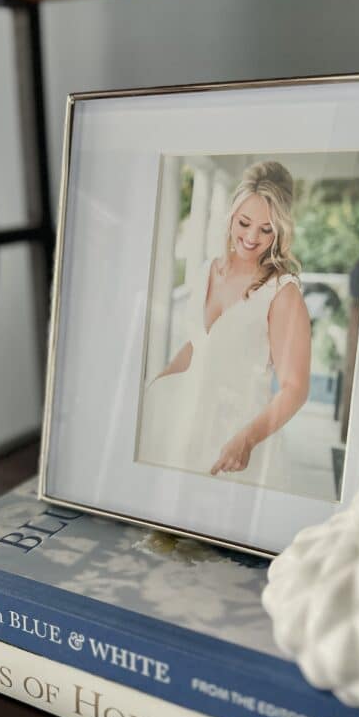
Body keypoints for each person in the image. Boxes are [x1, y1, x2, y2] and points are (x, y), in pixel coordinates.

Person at [138, 160, 311, 488]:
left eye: (266, 229)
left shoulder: (281, 293)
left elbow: (295, 388)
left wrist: (245, 440)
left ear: (280, 231)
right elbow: (197, 345)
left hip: (238, 438)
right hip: (186, 423)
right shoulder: (207, 270)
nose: (250, 237)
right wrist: (155, 389)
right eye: (244, 222)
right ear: (231, 215)